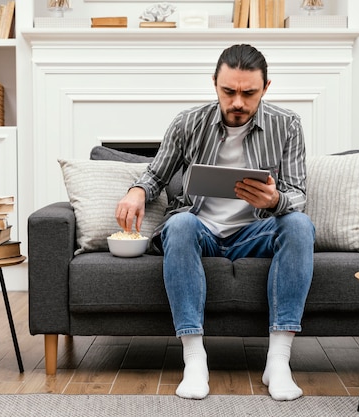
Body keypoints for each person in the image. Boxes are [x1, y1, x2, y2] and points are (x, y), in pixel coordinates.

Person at [115, 44, 314, 401]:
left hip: (256, 231)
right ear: (214, 84)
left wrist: (276, 200)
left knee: (299, 224)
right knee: (179, 225)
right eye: (229, 91)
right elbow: (155, 175)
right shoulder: (188, 122)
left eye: (249, 93)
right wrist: (136, 191)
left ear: (266, 88)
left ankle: (279, 360)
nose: (238, 102)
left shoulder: (288, 126)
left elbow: (298, 193)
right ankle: (194, 359)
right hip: (201, 229)